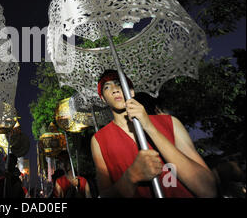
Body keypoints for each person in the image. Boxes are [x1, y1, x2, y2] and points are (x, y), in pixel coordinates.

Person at [90, 69, 217, 198]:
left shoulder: (170, 122)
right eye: (107, 87)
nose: (115, 89)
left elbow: (208, 189)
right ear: (103, 99)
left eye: (119, 83)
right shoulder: (99, 140)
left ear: (132, 91)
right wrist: (131, 176)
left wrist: (150, 127)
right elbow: (104, 195)